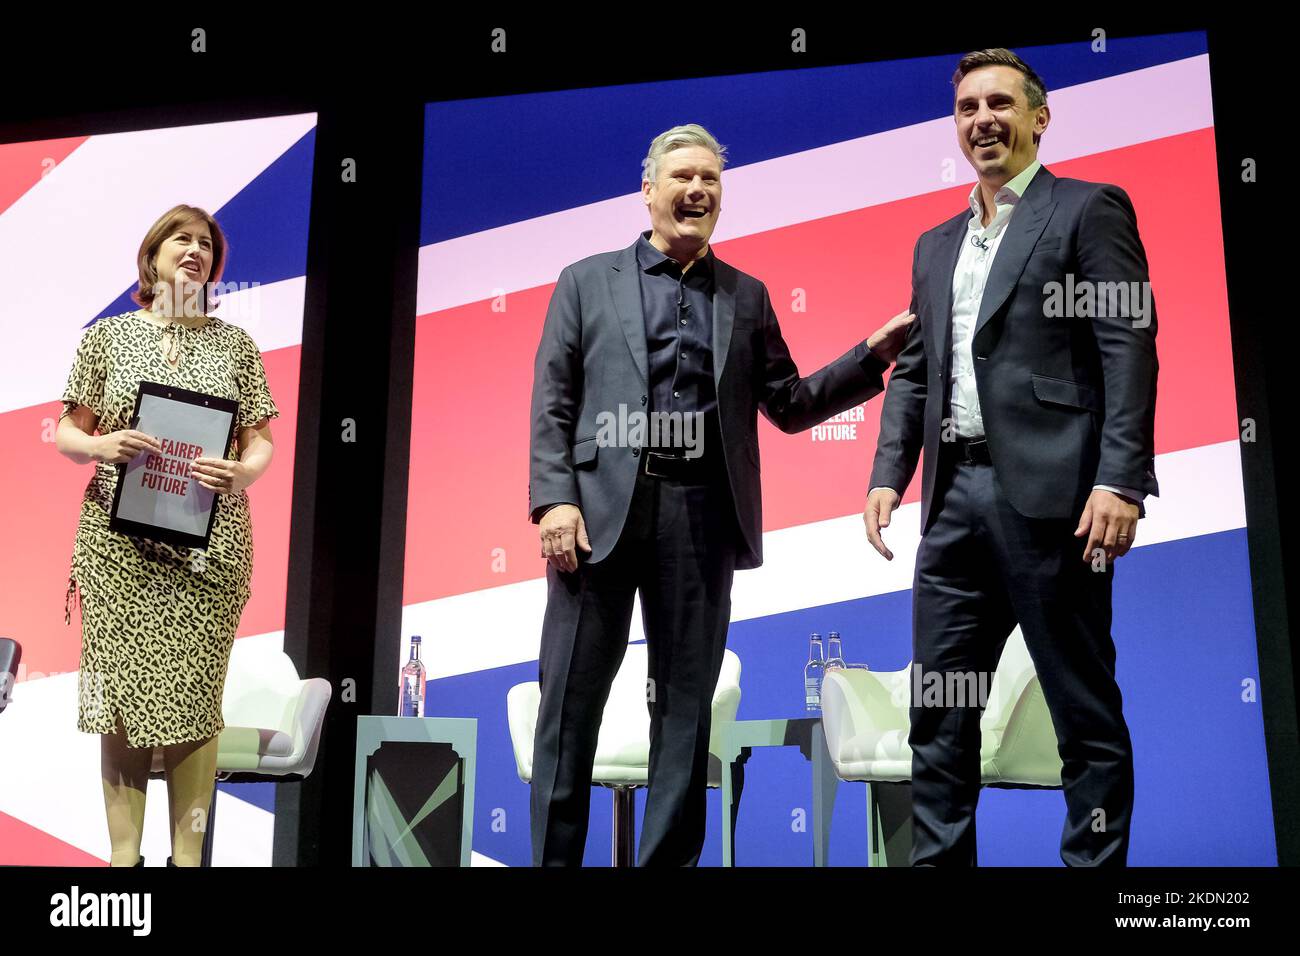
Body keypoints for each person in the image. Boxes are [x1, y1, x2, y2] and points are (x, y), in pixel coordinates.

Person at [528, 123, 915, 865]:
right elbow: (553, 399)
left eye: (710, 178)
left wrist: (870, 359)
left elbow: (791, 404)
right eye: (682, 177)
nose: (697, 189)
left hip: (699, 520)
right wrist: (554, 500)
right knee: (568, 712)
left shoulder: (747, 294)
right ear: (649, 191)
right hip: (596, 519)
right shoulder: (585, 280)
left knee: (684, 719)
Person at [863, 48, 1159, 866]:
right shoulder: (934, 243)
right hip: (954, 503)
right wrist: (890, 473)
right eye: (966, 108)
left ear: (1038, 116)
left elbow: (1128, 347)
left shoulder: (1088, 208)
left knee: (1081, 709)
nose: (982, 120)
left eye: (1000, 103)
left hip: (1058, 501)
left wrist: (1120, 479)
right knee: (940, 711)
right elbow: (918, 368)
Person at [55, 205, 279, 866]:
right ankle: (125, 864)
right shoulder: (108, 338)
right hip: (117, 548)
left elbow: (261, 441)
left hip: (208, 553)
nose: (195, 250)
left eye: (206, 244)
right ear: (151, 258)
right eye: (181, 239)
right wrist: (102, 443)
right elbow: (69, 432)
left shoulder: (235, 345)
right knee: (119, 699)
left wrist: (240, 473)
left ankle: (187, 860)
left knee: (196, 703)